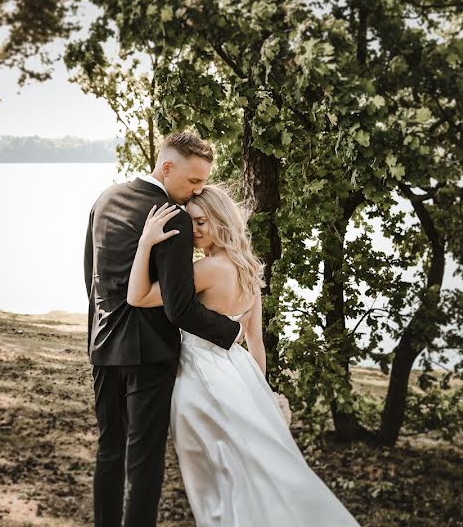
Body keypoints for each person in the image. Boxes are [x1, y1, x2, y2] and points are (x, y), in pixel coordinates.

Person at [127, 184, 362, 527]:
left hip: (198, 375)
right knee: (249, 465)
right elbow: (255, 341)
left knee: (213, 475)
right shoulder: (251, 270)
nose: (193, 231)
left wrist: (146, 242)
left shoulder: (206, 271)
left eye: (201, 222)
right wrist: (260, 392)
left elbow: (139, 296)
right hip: (239, 372)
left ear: (222, 220)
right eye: (190, 223)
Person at [83, 132, 243, 527]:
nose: (197, 191)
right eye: (193, 182)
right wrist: (230, 331)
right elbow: (181, 307)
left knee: (110, 450)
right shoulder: (172, 217)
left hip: (104, 346)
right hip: (150, 354)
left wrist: (101, 326)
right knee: (144, 460)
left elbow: (92, 276)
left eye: (202, 183)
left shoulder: (105, 199)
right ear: (166, 167)